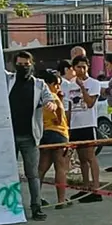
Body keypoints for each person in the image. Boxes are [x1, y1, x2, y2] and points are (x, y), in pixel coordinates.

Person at [6, 50, 56, 221]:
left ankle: (36, 207)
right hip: (8, 136)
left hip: (30, 136)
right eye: (19, 64)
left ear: (32, 64)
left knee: (32, 174)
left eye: (26, 65)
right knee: (7, 173)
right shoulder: (6, 80)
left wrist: (50, 104)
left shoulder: (39, 84)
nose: (23, 67)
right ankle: (9, 207)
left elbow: (51, 100)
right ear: (14, 65)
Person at [67, 55, 102, 203]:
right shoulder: (69, 85)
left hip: (88, 124)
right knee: (81, 158)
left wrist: (82, 88)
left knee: (90, 156)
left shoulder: (94, 83)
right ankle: (85, 187)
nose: (81, 69)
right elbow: (68, 107)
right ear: (73, 68)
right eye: (78, 67)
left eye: (84, 66)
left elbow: (89, 103)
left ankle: (96, 188)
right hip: (75, 125)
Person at [37, 70, 71, 209]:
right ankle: (61, 200)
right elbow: (58, 111)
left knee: (41, 168)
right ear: (50, 84)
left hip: (45, 133)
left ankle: (36, 198)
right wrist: (58, 117)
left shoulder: (39, 97)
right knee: (60, 168)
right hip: (58, 133)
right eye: (57, 84)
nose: (59, 88)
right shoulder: (52, 96)